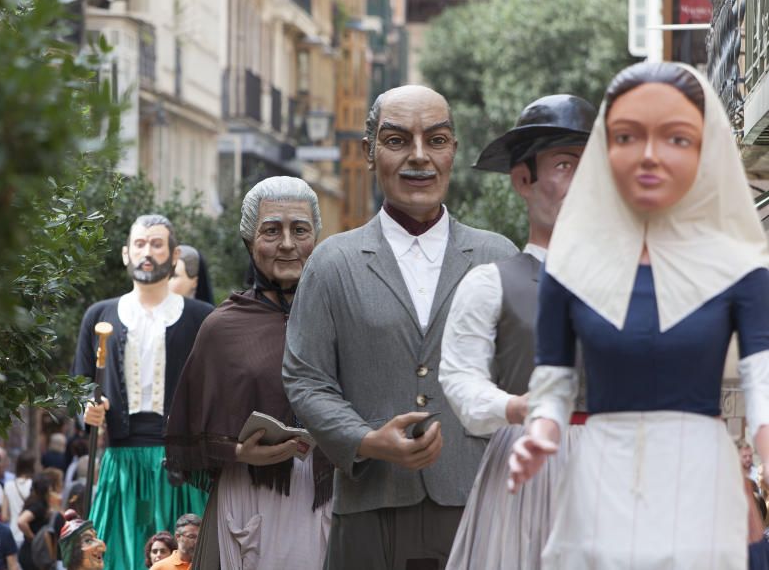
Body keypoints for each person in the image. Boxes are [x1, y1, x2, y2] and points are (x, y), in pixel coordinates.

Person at [507, 62, 769, 568]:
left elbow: (761, 377)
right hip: (600, 471)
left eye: (676, 138)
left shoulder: (737, 266)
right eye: (627, 136)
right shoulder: (573, 266)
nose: (649, 156)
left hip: (698, 471)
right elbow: (554, 378)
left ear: (704, 151)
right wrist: (542, 432)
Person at [282, 84, 518, 569]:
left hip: (478, 503)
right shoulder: (332, 262)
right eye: (396, 141)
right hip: (371, 509)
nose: (419, 157)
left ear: (454, 150)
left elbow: (524, 379)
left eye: (436, 140)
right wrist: (366, 440)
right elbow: (306, 379)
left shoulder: (499, 258)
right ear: (369, 153)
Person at [438, 94, 594, 569]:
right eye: (567, 167)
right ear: (523, 180)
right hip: (529, 470)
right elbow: (459, 378)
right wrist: (514, 405)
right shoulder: (490, 283)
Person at [165, 176, 334, 569]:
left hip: (327, 497)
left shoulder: (343, 315)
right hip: (248, 498)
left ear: (316, 237)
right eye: (272, 231)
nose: (288, 243)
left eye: (300, 230)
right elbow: (191, 438)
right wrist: (238, 451)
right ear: (248, 241)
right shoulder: (222, 328)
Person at [75, 215, 214, 570]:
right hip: (121, 464)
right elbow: (79, 386)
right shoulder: (99, 315)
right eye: (139, 244)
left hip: (181, 467)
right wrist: (87, 410)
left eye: (156, 244)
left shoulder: (203, 318)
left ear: (174, 253)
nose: (146, 252)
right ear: (125, 254)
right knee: (116, 559)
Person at [16, 470, 63, 570]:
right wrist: (33, 537)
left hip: (30, 552)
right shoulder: (39, 505)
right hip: (34, 554)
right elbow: (21, 521)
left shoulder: (34, 501)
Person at [6, 451, 37, 546]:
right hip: (27, 533)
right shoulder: (34, 485)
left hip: (12, 533)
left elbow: (4, 516)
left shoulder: (8, 485)